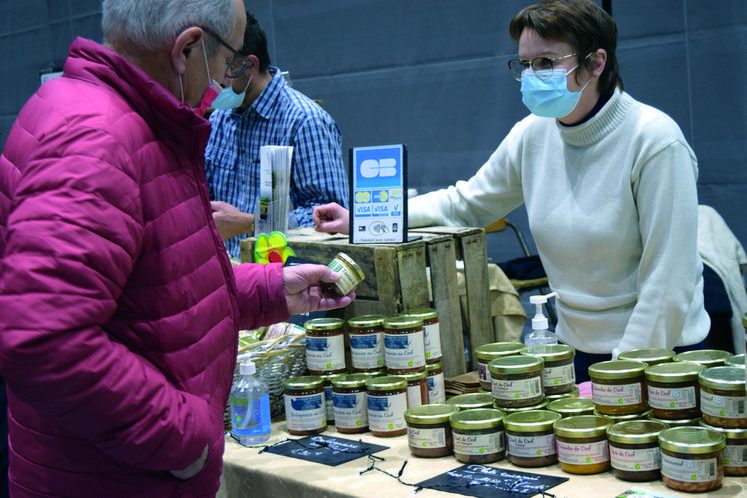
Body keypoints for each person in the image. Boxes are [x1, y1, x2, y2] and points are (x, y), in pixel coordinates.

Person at [0, 0, 352, 496]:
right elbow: (43, 340)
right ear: (187, 49)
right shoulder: (98, 141)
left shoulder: (132, 123)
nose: (226, 78)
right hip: (118, 478)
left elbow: (161, 284)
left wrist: (271, 287)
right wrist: (185, 441)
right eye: (227, 60)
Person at [315, 0, 710, 382]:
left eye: (547, 63)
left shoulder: (654, 141)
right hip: (574, 351)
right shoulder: (533, 134)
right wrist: (365, 218)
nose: (533, 75)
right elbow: (466, 203)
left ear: (596, 63)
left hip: (660, 357)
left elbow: (667, 284)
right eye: (525, 65)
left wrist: (622, 377)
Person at [205, 11, 348, 260]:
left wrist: (250, 223)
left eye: (223, 68)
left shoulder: (305, 122)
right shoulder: (219, 119)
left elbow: (330, 221)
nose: (215, 79)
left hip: (283, 277)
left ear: (248, 65)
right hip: (223, 272)